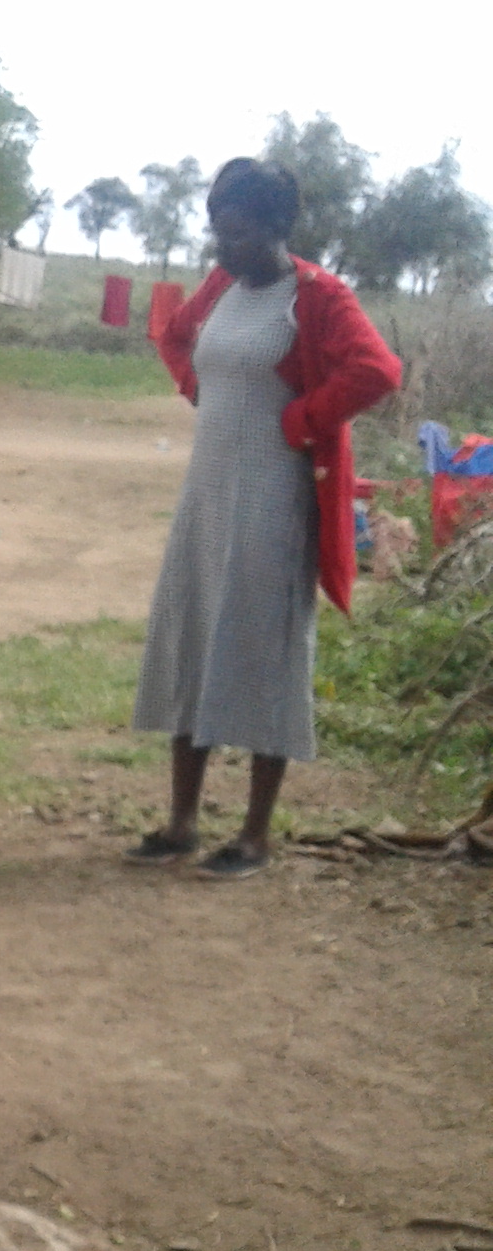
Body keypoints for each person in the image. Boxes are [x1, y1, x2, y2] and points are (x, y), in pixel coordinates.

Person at [128, 158, 401, 880]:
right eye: (217, 231)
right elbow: (177, 335)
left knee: (263, 653)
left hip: (273, 502)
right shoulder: (222, 285)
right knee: (191, 639)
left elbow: (377, 371)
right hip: (207, 495)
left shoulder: (315, 297)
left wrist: (302, 418)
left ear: (279, 228)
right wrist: (196, 387)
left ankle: (253, 836)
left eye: (240, 232)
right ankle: (182, 821)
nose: (224, 248)